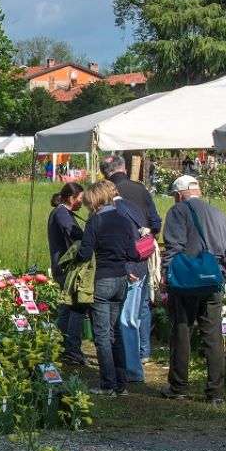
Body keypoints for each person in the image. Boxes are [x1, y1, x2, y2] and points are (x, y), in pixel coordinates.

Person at [161, 175, 226, 404]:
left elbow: (173, 247)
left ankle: (179, 386)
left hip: (186, 282)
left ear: (178, 194)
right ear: (199, 191)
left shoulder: (177, 212)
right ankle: (216, 392)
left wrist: (168, 275)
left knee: (182, 332)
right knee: (213, 336)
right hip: (213, 280)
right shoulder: (218, 213)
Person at [81, 180, 138, 397]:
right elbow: (132, 253)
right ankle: (121, 383)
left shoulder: (95, 221)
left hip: (102, 279)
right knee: (115, 332)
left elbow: (85, 253)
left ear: (95, 200)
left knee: (102, 335)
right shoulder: (123, 220)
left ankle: (107, 383)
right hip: (121, 279)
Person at [102, 156, 160, 371]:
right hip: (143, 257)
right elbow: (155, 221)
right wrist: (147, 238)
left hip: (123, 262)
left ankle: (129, 360)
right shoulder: (140, 189)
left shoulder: (107, 194)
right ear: (124, 168)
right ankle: (143, 351)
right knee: (143, 305)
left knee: (123, 313)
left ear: (104, 173)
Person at [46, 182, 90, 369]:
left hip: (60, 267)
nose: (82, 203)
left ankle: (62, 346)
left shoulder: (60, 212)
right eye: (80, 199)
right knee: (75, 308)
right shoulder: (62, 214)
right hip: (67, 269)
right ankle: (72, 349)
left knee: (66, 308)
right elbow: (76, 236)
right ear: (71, 199)